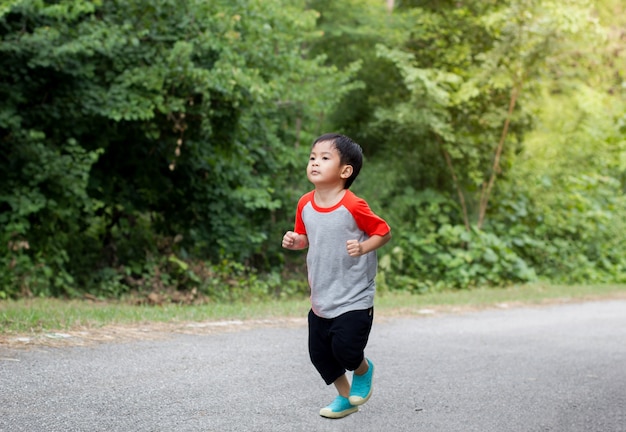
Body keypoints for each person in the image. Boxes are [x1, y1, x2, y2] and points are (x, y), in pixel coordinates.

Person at [282, 133, 391, 419]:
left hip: (354, 295)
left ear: (345, 171)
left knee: (346, 349)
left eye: (324, 158)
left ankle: (363, 369)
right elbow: (305, 237)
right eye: (312, 157)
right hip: (321, 296)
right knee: (320, 356)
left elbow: (383, 231)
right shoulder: (305, 203)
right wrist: (296, 241)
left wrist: (363, 246)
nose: (315, 162)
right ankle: (346, 397)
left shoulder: (353, 205)